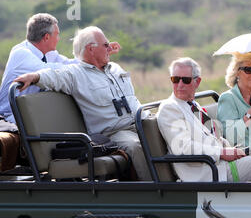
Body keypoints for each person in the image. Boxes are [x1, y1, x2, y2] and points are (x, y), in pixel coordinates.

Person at [13, 26, 150, 181]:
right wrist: (34, 76)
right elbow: (54, 76)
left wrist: (104, 49)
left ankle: (180, 184)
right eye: (106, 45)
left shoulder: (115, 68)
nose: (110, 47)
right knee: (136, 146)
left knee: (169, 129)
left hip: (140, 121)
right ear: (91, 49)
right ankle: (156, 193)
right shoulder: (76, 74)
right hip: (115, 132)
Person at [156, 57, 251, 182]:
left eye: (186, 80)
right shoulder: (169, 108)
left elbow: (212, 136)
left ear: (197, 82)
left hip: (222, 164)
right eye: (175, 79)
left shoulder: (192, 105)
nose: (180, 85)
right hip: (211, 172)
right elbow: (183, 147)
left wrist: (233, 150)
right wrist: (221, 152)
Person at [0, 13, 121, 124]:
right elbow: (48, 70)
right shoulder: (20, 53)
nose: (58, 39)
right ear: (47, 37)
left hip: (29, 113)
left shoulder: (49, 54)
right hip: (9, 116)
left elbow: (73, 63)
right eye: (57, 35)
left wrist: (102, 50)